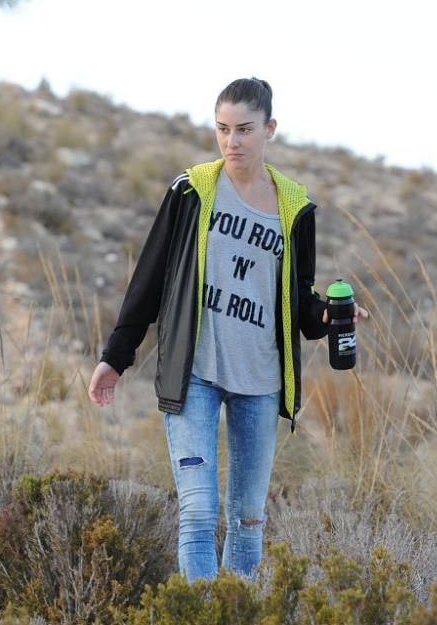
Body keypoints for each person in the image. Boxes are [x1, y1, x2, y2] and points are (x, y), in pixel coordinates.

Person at [88, 78, 367, 581]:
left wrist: (325, 316)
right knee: (197, 512)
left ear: (270, 130)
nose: (232, 141)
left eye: (244, 129)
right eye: (222, 129)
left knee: (248, 521)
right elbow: (149, 279)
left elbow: (298, 301)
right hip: (194, 372)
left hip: (260, 380)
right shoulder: (192, 191)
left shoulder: (295, 206)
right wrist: (116, 356)